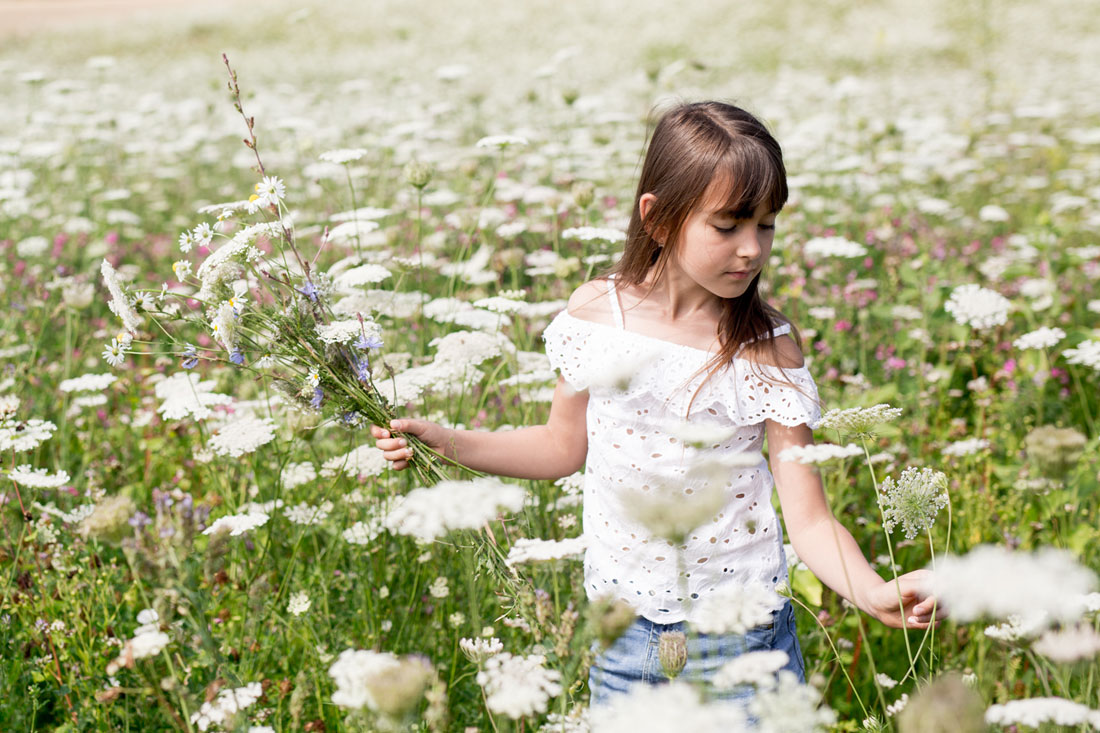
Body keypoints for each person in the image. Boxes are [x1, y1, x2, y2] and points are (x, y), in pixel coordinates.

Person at [371, 101, 941, 705]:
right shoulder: (598, 315)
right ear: (659, 218)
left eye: (767, 225)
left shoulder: (765, 349)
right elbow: (559, 448)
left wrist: (872, 591)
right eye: (728, 226)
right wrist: (448, 442)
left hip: (743, 641)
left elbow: (809, 518)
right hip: (621, 640)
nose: (752, 249)